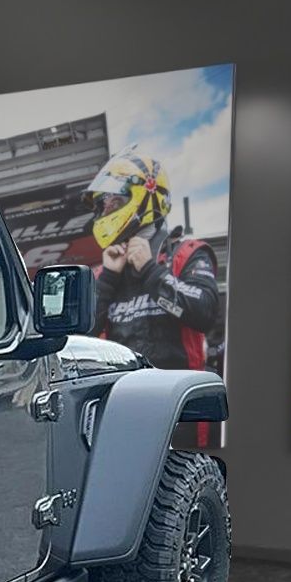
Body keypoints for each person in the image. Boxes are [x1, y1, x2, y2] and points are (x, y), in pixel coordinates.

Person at [84, 146, 222, 444]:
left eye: (113, 201)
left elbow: (206, 312)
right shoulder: (104, 272)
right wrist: (107, 278)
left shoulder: (186, 254)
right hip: (123, 410)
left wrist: (150, 271)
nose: (105, 210)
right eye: (102, 204)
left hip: (181, 411)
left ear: (146, 198)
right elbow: (83, 337)